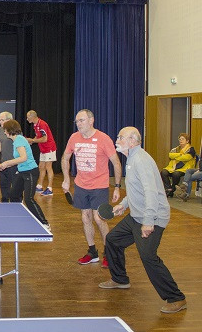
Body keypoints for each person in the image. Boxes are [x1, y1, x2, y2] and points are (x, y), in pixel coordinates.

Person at [99, 126, 187, 314]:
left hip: (152, 217)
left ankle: (176, 297)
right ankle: (120, 279)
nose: (117, 140)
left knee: (148, 257)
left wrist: (148, 222)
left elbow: (151, 192)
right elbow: (135, 189)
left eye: (120, 137)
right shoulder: (131, 158)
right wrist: (123, 204)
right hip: (136, 215)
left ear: (132, 141)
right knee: (113, 240)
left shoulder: (141, 160)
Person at [61, 109, 122, 268]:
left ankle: (108, 253)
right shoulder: (74, 138)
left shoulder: (103, 139)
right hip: (81, 185)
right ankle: (92, 252)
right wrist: (67, 179)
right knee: (85, 217)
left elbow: (116, 163)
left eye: (81, 120)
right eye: (77, 121)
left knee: (98, 218)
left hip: (100, 186)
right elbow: (65, 158)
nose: (78, 124)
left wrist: (116, 187)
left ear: (91, 120)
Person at [0, 119, 50, 231]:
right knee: (13, 194)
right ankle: (18, 216)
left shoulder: (19, 140)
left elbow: (23, 158)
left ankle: (44, 223)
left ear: (9, 130)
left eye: (5, 130)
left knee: (29, 199)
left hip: (31, 171)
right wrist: (7, 165)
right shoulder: (16, 140)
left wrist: (7, 163)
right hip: (22, 171)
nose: (4, 132)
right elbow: (20, 159)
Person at [26, 110, 57, 196]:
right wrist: (32, 141)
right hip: (43, 149)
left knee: (48, 167)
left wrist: (32, 140)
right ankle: (39, 186)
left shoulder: (42, 124)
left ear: (32, 117)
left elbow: (45, 139)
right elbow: (38, 136)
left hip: (49, 148)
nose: (27, 119)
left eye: (28, 117)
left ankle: (50, 188)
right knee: (41, 167)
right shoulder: (35, 125)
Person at [159, 133, 195, 197]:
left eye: (182, 139)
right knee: (163, 172)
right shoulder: (175, 149)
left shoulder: (191, 149)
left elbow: (187, 158)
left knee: (176, 174)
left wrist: (176, 156)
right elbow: (170, 155)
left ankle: (172, 189)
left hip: (184, 168)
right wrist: (180, 155)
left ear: (187, 141)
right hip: (173, 167)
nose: (180, 140)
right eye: (180, 139)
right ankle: (168, 188)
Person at [0, 112, 17, 202]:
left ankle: (17, 205)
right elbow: (0, 142)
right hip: (3, 163)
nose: (0, 122)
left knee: (15, 188)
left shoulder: (16, 131)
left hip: (14, 164)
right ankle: (4, 203)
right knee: (4, 186)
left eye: (2, 120)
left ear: (9, 120)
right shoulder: (0, 130)